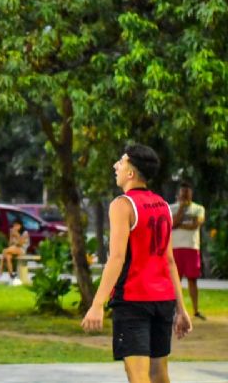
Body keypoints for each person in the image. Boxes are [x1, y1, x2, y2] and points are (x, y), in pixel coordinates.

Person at [82, 144, 191, 383]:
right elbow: (170, 261)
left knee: (138, 376)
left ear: (131, 173)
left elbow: (117, 258)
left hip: (134, 301)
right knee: (159, 374)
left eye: (121, 162)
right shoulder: (163, 205)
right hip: (163, 300)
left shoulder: (122, 205)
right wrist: (181, 309)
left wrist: (97, 304)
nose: (116, 166)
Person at [170, 182, 206, 320]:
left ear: (191, 194)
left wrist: (178, 224)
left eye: (187, 192)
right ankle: (174, 310)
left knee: (192, 279)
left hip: (192, 247)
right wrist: (181, 209)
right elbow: (171, 224)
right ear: (178, 194)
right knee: (175, 280)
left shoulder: (198, 209)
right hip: (175, 248)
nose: (185, 195)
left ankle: (196, 310)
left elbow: (196, 224)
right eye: (183, 192)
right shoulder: (171, 208)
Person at [0, 220, 29, 284]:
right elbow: (10, 245)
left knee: (4, 251)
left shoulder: (25, 233)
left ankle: (0, 271)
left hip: (22, 249)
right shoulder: (13, 232)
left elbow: (20, 244)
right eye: (14, 225)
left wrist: (17, 235)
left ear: (20, 226)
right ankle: (12, 275)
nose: (15, 227)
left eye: (17, 225)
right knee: (7, 256)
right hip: (13, 249)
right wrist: (11, 236)